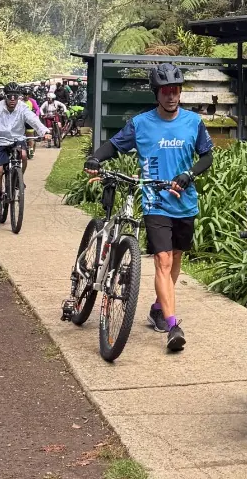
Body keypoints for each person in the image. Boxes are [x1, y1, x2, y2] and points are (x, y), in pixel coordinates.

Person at [84, 61, 213, 354]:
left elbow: (207, 156)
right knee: (163, 261)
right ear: (157, 93)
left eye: (176, 90)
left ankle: (158, 308)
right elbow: (114, 145)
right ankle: (172, 324)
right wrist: (95, 158)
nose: (172, 95)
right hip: (155, 202)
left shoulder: (193, 122)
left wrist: (189, 174)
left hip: (185, 203)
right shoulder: (140, 124)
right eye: (166, 91)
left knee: (176, 258)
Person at [0, 83, 50, 215]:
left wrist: (44, 131)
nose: (12, 99)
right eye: (9, 96)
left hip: (17, 139)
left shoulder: (23, 108)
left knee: (23, 155)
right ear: (5, 96)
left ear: (18, 97)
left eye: (15, 97)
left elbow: (33, 120)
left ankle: (18, 179)